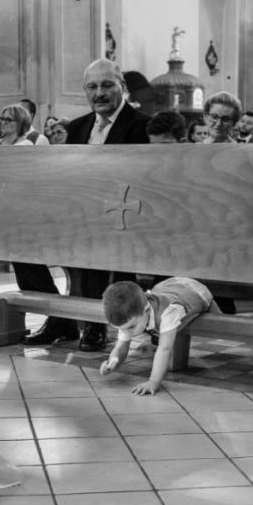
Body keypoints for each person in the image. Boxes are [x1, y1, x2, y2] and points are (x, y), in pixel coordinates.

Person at [63, 59, 150, 351]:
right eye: (92, 87)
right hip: (88, 211)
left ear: (121, 87)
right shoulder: (78, 127)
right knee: (89, 267)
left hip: (128, 210)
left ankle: (127, 321)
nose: (99, 93)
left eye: (106, 85)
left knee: (122, 269)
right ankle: (94, 325)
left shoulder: (142, 124)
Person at [99, 279, 216, 395]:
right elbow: (120, 348)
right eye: (120, 328)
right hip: (169, 286)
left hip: (195, 291)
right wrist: (112, 364)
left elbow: (164, 349)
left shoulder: (168, 312)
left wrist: (153, 382)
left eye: (131, 327)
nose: (127, 332)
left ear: (146, 309)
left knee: (213, 312)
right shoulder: (133, 314)